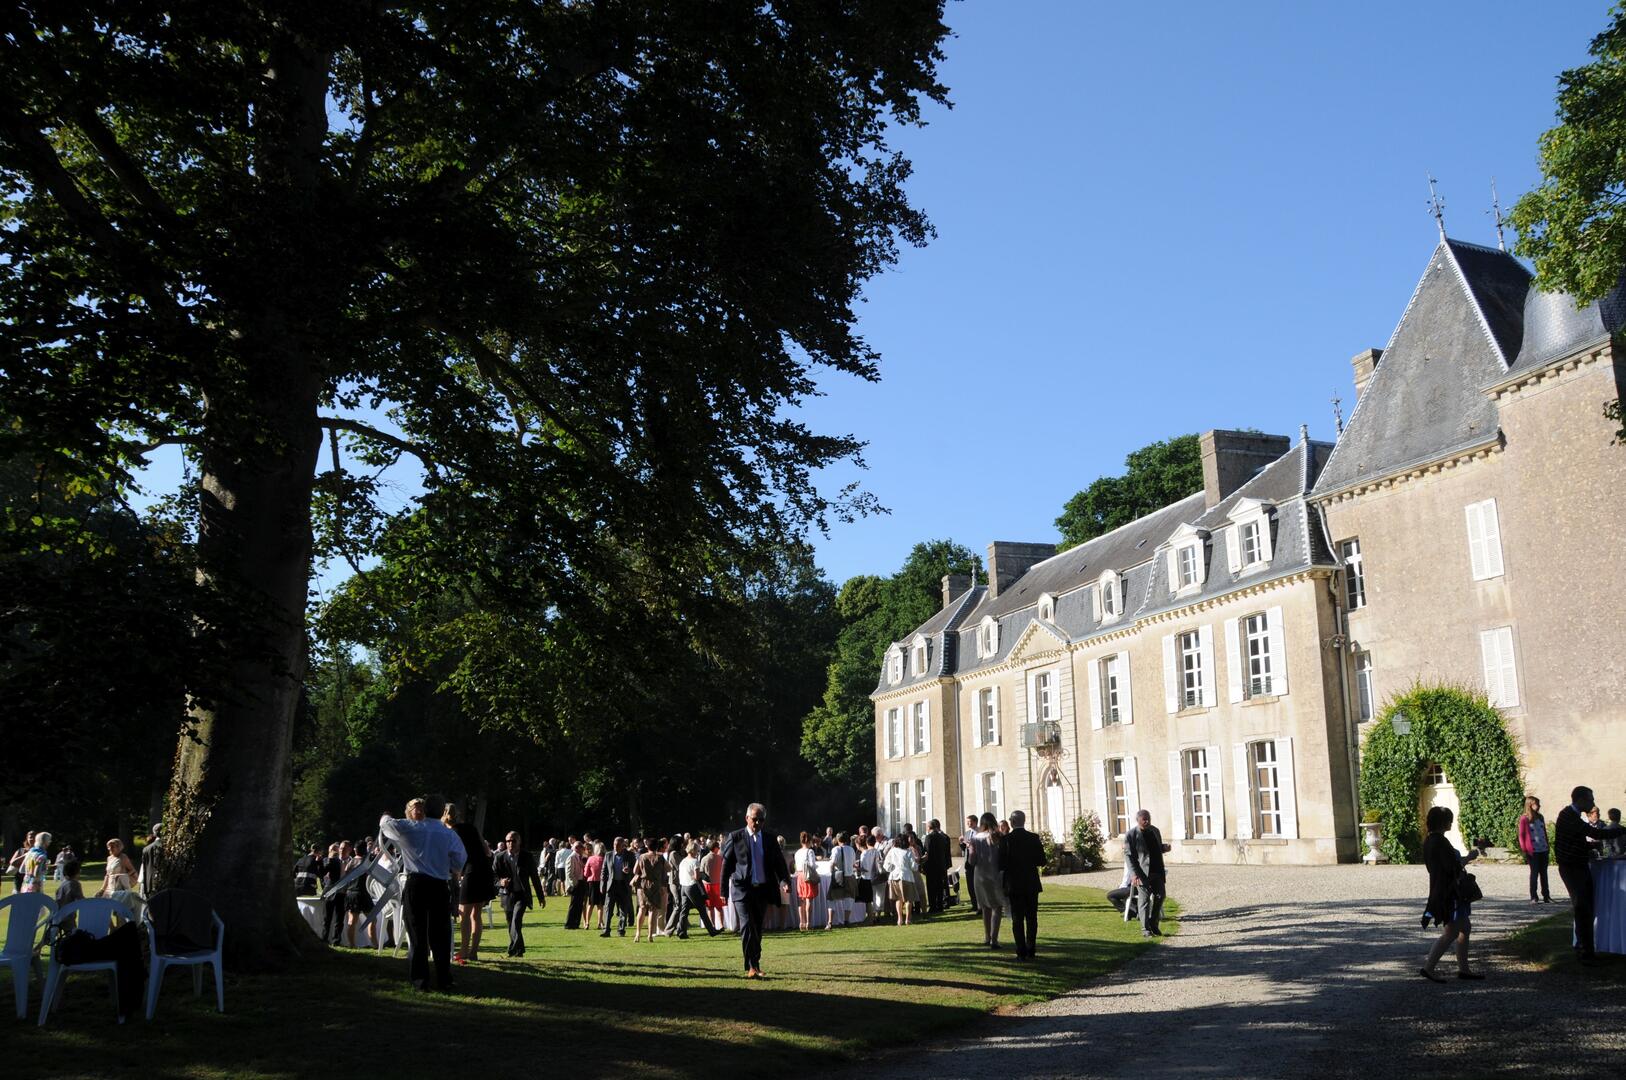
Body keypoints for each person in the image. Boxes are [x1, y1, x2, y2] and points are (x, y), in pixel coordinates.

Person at [378, 797, 467, 991]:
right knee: (441, 935)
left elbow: (386, 824)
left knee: (417, 932)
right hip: (439, 886)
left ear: (425, 810)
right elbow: (460, 859)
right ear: (443, 812)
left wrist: (385, 814)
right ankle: (444, 979)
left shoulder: (410, 827)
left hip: (416, 884)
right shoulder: (448, 834)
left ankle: (420, 979)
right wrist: (448, 866)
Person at [1554, 785, 1626, 964]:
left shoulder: (1571, 816)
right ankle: (1585, 952)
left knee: (1586, 907)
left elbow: (1574, 840)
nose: (1593, 803)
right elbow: (1594, 833)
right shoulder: (1569, 816)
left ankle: (1585, 949)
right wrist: (1623, 830)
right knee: (1582, 908)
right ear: (1580, 800)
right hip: (1572, 868)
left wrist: (1589, 847)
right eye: (1590, 799)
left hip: (1578, 866)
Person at [721, 802, 792, 978]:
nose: (758, 823)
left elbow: (779, 864)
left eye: (761, 820)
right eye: (754, 819)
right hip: (741, 889)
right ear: (747, 818)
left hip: (762, 890)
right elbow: (726, 865)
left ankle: (756, 963)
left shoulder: (769, 839)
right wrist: (723, 891)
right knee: (747, 926)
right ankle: (751, 966)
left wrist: (784, 880)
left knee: (758, 928)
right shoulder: (735, 837)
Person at [1419, 805, 1481, 981]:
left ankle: (1464, 969)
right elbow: (1452, 868)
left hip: (1443, 889)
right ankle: (1429, 967)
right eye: (1450, 820)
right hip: (1449, 891)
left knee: (1464, 928)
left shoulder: (1431, 840)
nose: (1452, 823)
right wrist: (1469, 857)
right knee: (1452, 931)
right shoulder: (1440, 842)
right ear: (1443, 822)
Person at [444, 804, 494, 964]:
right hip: (484, 870)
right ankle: (473, 951)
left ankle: (464, 951)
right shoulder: (471, 828)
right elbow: (487, 851)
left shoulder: (450, 833)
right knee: (476, 914)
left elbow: (455, 857)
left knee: (464, 913)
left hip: (471, 871)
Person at [492, 830, 546, 956]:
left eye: (513, 841)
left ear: (519, 842)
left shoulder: (527, 857)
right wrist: (500, 882)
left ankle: (513, 950)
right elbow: (492, 876)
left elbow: (534, 877)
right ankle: (518, 950)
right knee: (511, 924)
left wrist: (540, 897)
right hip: (507, 895)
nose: (510, 843)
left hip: (522, 895)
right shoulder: (499, 857)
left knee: (516, 921)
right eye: (508, 841)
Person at [1002, 809, 1045, 961]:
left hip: (1014, 884)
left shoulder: (1006, 839)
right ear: (1024, 821)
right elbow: (1042, 861)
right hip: (1031, 882)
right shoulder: (1033, 838)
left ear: (1012, 822)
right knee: (1032, 917)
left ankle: (1021, 951)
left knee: (1017, 918)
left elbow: (1001, 864)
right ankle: (1031, 948)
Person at [1124, 809, 1169, 938]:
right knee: (1144, 901)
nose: (1147, 821)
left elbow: (1157, 848)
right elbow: (1129, 856)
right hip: (1142, 873)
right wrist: (1134, 874)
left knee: (1160, 896)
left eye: (1148, 818)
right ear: (1138, 820)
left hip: (1157, 871)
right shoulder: (1131, 835)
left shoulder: (1155, 831)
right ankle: (1145, 929)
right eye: (1144, 819)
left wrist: (1164, 848)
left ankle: (1154, 925)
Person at [968, 812, 1005, 946]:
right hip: (995, 874)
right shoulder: (998, 837)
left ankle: (987, 937)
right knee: (997, 907)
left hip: (980, 875)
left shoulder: (975, 838)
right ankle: (994, 939)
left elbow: (972, 861)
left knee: (985, 907)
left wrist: (970, 849)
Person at [675, 840, 719, 938]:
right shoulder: (695, 861)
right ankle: (712, 931)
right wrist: (702, 876)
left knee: (684, 911)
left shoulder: (683, 861)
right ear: (694, 850)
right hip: (692, 887)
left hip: (683, 887)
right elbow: (696, 876)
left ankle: (681, 932)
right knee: (702, 909)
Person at [631, 837, 667, 943]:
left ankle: (638, 934)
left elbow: (634, 870)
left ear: (647, 846)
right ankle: (650, 935)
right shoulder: (660, 858)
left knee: (642, 909)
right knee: (653, 910)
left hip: (642, 885)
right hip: (655, 885)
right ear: (657, 847)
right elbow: (667, 869)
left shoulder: (642, 856)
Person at [1518, 795, 1553, 903]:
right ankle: (1534, 896)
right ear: (1530, 805)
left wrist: (1547, 845)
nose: (1539, 806)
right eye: (1537, 804)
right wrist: (1525, 849)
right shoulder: (1524, 819)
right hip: (1533, 851)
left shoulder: (1540, 817)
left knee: (1544, 873)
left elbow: (1544, 832)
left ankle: (1546, 896)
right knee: (1534, 873)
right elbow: (1521, 835)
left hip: (1543, 849)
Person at [884, 833, 919, 926]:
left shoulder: (892, 851)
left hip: (894, 877)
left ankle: (900, 919)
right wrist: (917, 864)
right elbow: (914, 867)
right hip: (906, 877)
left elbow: (886, 865)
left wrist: (893, 869)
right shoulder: (908, 852)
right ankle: (907, 919)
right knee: (908, 899)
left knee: (898, 899)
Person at [601, 838, 634, 936]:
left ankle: (621, 930)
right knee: (608, 908)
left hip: (624, 885)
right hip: (611, 885)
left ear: (623, 845)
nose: (616, 846)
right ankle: (606, 930)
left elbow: (636, 869)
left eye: (618, 845)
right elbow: (604, 871)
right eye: (615, 844)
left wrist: (629, 870)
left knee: (623, 909)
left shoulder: (630, 855)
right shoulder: (608, 855)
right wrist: (602, 885)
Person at [825, 832, 854, 929]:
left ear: (837, 840)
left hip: (839, 876)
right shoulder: (851, 849)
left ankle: (830, 922)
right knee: (849, 898)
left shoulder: (836, 849)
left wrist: (831, 872)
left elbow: (832, 863)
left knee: (832, 898)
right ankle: (846, 920)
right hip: (849, 876)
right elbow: (853, 863)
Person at [793, 832, 820, 931]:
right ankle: (809, 922)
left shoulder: (797, 852)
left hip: (800, 876)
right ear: (809, 841)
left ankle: (802, 922)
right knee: (809, 899)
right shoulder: (810, 851)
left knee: (801, 900)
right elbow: (812, 865)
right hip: (807, 876)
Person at [322, 842, 348, 945]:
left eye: (336, 849)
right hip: (329, 891)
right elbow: (323, 872)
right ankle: (324, 939)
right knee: (327, 918)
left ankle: (336, 940)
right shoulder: (327, 860)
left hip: (341, 892)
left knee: (339, 919)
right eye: (332, 849)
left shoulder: (346, 861)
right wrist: (330, 858)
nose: (337, 851)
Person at [923, 819, 951, 914]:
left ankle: (933, 906)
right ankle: (940, 905)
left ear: (929, 827)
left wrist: (924, 866)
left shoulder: (929, 837)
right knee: (939, 887)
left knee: (931, 888)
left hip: (931, 866)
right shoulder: (942, 837)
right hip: (941, 866)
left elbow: (927, 852)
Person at [961, 815, 979, 912]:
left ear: (975, 822)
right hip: (968, 863)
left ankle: (980, 906)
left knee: (977, 886)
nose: (968, 823)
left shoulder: (979, 833)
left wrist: (971, 845)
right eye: (967, 822)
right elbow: (965, 849)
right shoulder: (967, 833)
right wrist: (962, 844)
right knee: (970, 885)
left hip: (977, 863)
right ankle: (974, 905)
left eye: (970, 822)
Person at [139, 824, 163, 895]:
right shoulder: (168, 846)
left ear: (154, 833)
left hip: (150, 885)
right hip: (164, 884)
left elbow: (144, 869)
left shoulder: (146, 849)